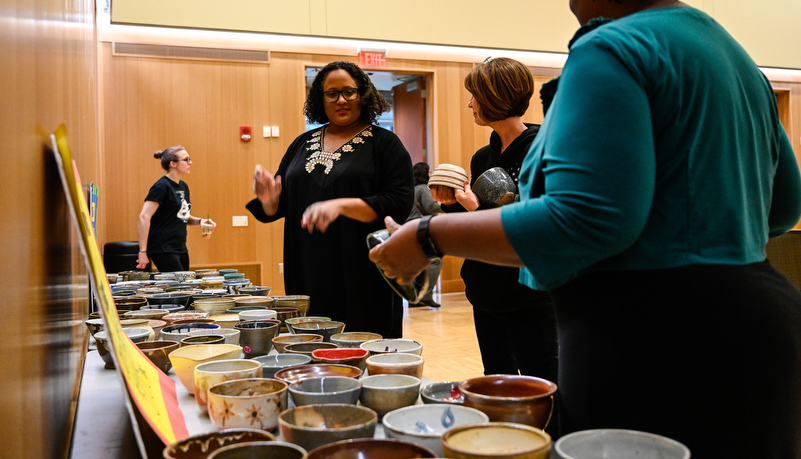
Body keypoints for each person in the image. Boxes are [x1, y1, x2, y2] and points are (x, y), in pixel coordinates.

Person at [369, 1, 801, 456]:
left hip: (653, 336)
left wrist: (428, 236)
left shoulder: (612, 47)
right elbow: (782, 208)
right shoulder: (733, 56)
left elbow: (584, 220)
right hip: (759, 326)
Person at [247, 61, 414, 339]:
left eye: (349, 92)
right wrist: (269, 200)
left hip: (364, 270)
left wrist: (341, 206)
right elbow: (281, 206)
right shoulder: (302, 143)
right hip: (307, 266)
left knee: (364, 347)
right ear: (320, 99)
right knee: (313, 347)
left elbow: (398, 203)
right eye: (331, 93)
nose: (341, 100)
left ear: (363, 94)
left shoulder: (385, 144)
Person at [431, 58, 558, 387]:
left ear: (495, 95)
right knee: (496, 381)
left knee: (539, 384)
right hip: (485, 290)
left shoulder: (542, 148)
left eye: (475, 94)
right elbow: (479, 222)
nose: (470, 103)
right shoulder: (482, 157)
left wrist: (476, 210)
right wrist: (451, 205)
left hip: (529, 296)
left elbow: (537, 221)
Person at [136, 146, 216, 272]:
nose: (190, 163)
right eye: (186, 160)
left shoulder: (183, 186)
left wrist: (200, 221)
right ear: (173, 163)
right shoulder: (161, 186)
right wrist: (143, 252)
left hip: (180, 247)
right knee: (181, 287)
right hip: (163, 249)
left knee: (184, 287)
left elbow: (181, 216)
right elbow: (144, 217)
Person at [405, 162, 443, 308]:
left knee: (418, 262)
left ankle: (415, 297)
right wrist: (451, 205)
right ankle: (424, 296)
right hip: (420, 228)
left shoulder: (411, 189)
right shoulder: (423, 189)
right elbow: (430, 206)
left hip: (408, 229)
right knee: (435, 260)